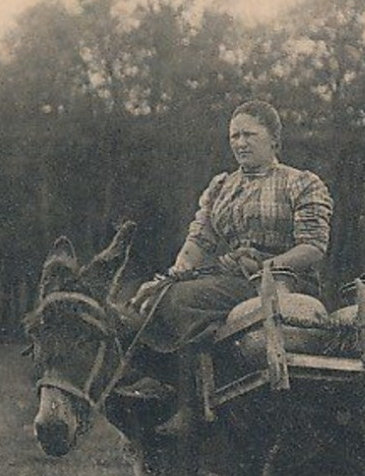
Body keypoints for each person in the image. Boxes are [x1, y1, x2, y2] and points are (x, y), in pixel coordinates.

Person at [131, 100, 333, 436]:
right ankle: (171, 388)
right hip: (237, 281)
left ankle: (192, 401)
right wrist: (171, 276)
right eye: (234, 136)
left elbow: (313, 247)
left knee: (181, 301)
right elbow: (199, 242)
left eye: (249, 135)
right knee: (163, 295)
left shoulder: (300, 184)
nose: (240, 143)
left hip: (288, 285)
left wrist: (265, 265)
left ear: (274, 139)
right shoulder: (222, 187)